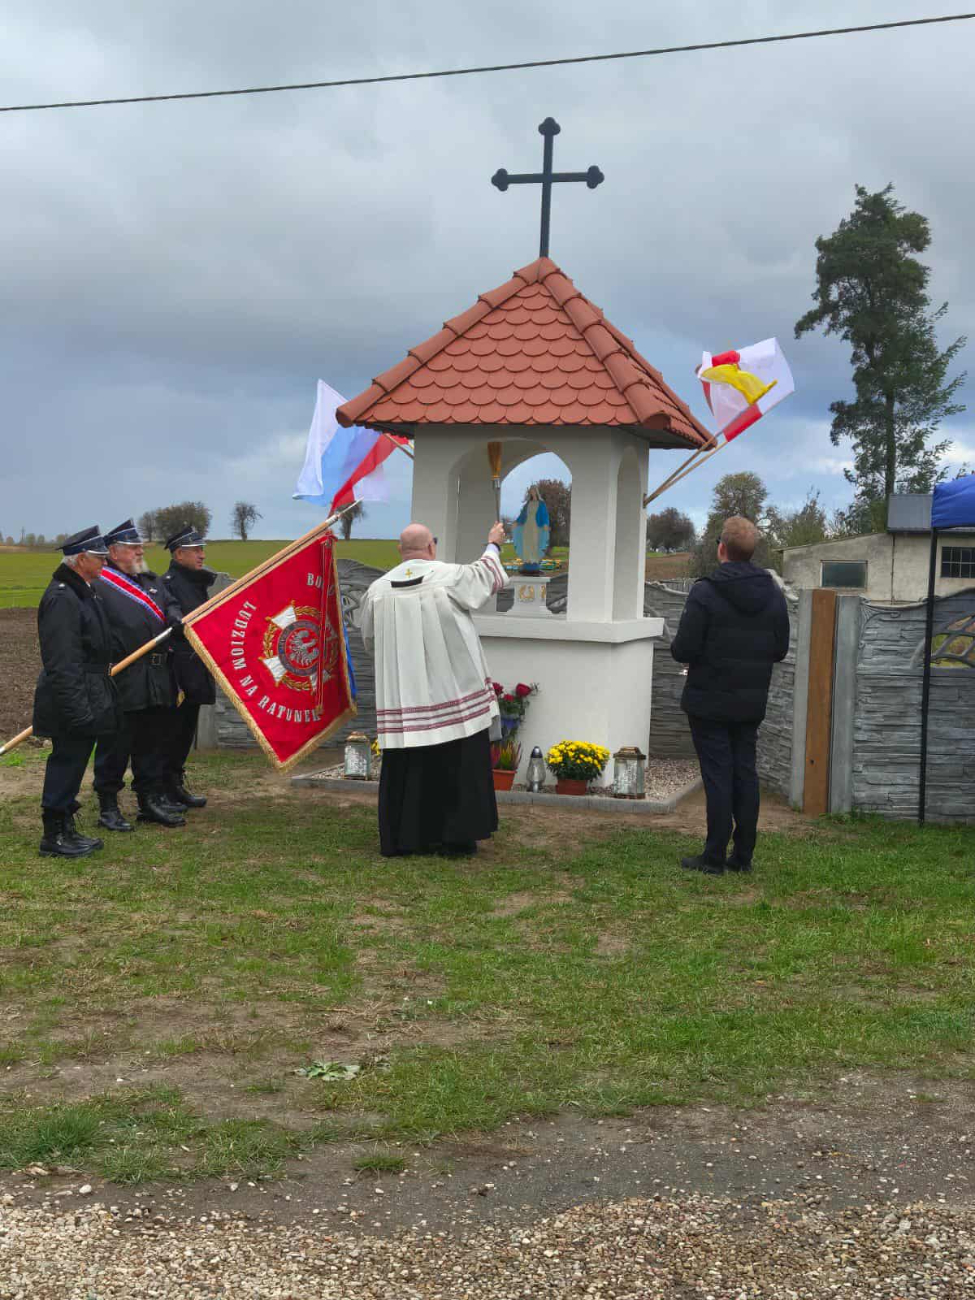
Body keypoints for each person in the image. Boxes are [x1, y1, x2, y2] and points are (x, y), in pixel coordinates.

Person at [360, 521, 510, 857]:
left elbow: (370, 641)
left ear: (400, 551)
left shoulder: (377, 591)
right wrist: (493, 543)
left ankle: (405, 838)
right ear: (431, 548)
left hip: (403, 696)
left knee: (408, 767)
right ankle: (456, 838)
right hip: (452, 690)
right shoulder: (450, 576)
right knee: (457, 763)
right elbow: (486, 576)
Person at [671, 516, 790, 875]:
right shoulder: (772, 592)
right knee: (745, 772)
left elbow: (683, 649)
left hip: (708, 701)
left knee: (718, 775)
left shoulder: (705, 591)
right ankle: (743, 856)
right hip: (750, 701)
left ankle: (713, 857)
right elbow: (780, 649)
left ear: (721, 548)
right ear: (752, 551)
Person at [32, 527, 121, 858]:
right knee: (65, 762)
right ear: (81, 559)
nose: (104, 563)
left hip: (88, 691)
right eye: (99, 557)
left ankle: (66, 825)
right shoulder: (62, 598)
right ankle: (53, 835)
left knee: (74, 762)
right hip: (70, 696)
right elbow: (63, 661)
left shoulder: (83, 591)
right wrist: (77, 710)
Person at [92, 519, 185, 830]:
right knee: (116, 744)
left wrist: (174, 616)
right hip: (124, 675)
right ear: (114, 552)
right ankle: (108, 805)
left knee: (152, 740)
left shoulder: (149, 580)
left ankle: (150, 800)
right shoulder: (100, 584)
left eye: (139, 546)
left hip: (158, 674)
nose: (140, 551)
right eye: (133, 548)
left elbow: (170, 603)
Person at [160, 526, 216, 809]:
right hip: (178, 672)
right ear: (179, 553)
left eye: (202, 550)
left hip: (195, 668)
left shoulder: (194, 583)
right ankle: (165, 787)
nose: (202, 556)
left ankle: (175, 782)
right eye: (196, 551)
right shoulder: (168, 584)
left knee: (185, 732)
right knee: (173, 731)